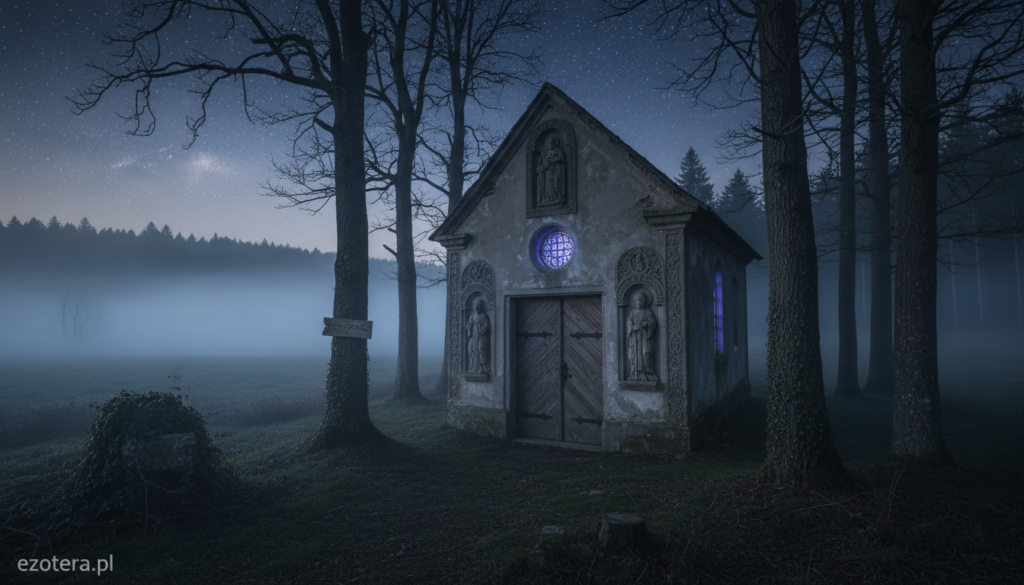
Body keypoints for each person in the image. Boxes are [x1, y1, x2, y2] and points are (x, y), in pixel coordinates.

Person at [626, 290, 657, 381]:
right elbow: (628, 324)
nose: (638, 302)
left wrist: (646, 324)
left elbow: (653, 322)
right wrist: (632, 328)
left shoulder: (647, 312)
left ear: (644, 301)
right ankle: (635, 374)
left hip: (644, 337)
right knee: (635, 355)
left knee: (646, 353)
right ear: (635, 302)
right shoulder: (633, 312)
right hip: (635, 338)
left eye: (640, 300)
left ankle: (649, 374)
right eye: (637, 300)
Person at [536, 134, 565, 205]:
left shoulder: (558, 150)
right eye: (549, 144)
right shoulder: (548, 152)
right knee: (549, 185)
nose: (550, 145)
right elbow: (545, 161)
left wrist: (554, 160)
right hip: (548, 171)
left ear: (554, 144)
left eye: (552, 143)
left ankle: (558, 197)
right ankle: (549, 198)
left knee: (556, 184)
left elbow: (561, 158)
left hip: (556, 170)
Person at [466, 298, 490, 374]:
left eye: (478, 305)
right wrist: (470, 326)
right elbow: (468, 326)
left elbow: (487, 325)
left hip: (480, 336)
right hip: (473, 336)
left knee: (481, 349)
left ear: (480, 306)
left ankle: (484, 367)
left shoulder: (483, 316)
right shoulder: (472, 317)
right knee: (471, 349)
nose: (476, 307)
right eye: (475, 305)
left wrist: (480, 329)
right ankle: (473, 367)